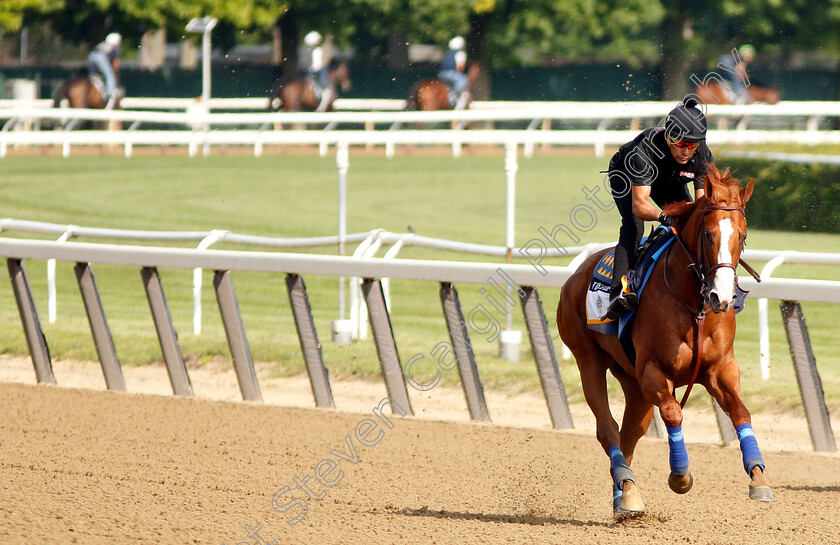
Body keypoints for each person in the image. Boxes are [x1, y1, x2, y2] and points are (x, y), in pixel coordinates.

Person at [605, 96, 714, 319]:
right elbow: (639, 205)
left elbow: (702, 204)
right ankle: (617, 292)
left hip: (669, 177)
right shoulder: (642, 154)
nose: (686, 151)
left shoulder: (702, 154)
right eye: (681, 143)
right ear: (668, 136)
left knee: (689, 224)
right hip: (627, 176)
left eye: (691, 145)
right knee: (634, 226)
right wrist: (663, 215)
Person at [88, 32, 121, 104]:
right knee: (110, 75)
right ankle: (111, 94)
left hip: (91, 55)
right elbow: (116, 65)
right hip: (101, 57)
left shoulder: (102, 44)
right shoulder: (114, 48)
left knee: (93, 76)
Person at [439, 36, 468, 107]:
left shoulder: (447, 52)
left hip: (442, 74)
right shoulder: (460, 53)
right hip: (451, 74)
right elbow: (460, 67)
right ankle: (453, 94)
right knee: (464, 80)